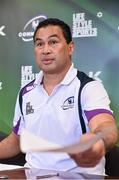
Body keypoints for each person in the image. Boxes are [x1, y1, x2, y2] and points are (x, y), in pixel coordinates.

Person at [0, 18, 118, 175]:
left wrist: (98, 141)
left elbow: (106, 126)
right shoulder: (26, 92)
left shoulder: (87, 87)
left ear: (70, 47)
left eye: (53, 42)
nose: (45, 50)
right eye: (39, 44)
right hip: (32, 175)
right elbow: (16, 140)